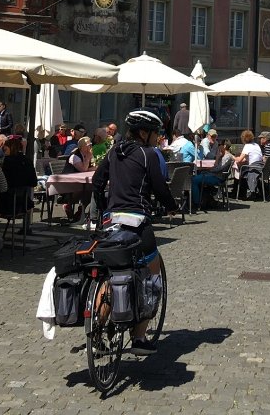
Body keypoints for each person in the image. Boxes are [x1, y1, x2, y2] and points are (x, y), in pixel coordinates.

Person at [92, 109, 178, 356]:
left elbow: (97, 183)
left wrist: (103, 210)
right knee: (153, 278)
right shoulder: (148, 154)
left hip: (111, 221)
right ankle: (139, 338)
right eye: (156, 133)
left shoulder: (112, 153)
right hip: (137, 222)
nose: (158, 138)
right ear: (143, 133)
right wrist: (171, 207)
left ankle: (96, 328)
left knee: (111, 274)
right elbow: (160, 186)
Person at [0, 137, 39, 220]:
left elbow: (4, 181)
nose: (3, 150)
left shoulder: (8, 161)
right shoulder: (27, 160)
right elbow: (33, 182)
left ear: (11, 148)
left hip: (8, 202)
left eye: (5, 148)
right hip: (23, 202)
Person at [190, 140, 234, 211]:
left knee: (194, 180)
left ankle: (197, 203)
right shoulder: (223, 156)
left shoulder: (227, 157)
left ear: (224, 146)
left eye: (220, 146)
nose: (218, 148)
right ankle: (203, 198)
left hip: (217, 178)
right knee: (198, 176)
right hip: (214, 175)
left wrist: (208, 168)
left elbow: (217, 168)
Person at [61, 136, 94, 222]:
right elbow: (83, 169)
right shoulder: (74, 156)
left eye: (91, 145)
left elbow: (91, 168)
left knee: (90, 189)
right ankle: (68, 204)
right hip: (69, 184)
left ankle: (81, 210)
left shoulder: (85, 155)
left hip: (80, 181)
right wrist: (88, 158)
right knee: (85, 189)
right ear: (82, 146)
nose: (90, 147)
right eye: (89, 145)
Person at [232, 129, 264, 200]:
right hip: (260, 166)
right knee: (242, 168)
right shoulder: (256, 145)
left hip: (253, 168)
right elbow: (250, 157)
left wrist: (232, 156)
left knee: (240, 171)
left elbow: (240, 159)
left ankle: (238, 192)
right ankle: (241, 192)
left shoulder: (247, 146)